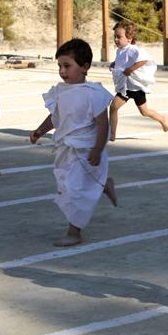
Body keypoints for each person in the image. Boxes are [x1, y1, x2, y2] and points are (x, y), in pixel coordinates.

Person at [29, 39, 118, 247]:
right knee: (66, 185)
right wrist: (40, 131)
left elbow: (102, 124)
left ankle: (74, 232)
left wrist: (97, 149)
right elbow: (55, 116)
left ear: (85, 67)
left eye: (67, 66)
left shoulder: (93, 93)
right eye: (60, 66)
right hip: (65, 148)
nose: (62, 71)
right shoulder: (60, 91)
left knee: (74, 190)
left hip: (85, 149)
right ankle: (104, 183)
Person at [108, 20, 168, 141]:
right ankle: (112, 134)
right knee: (113, 107)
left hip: (136, 87)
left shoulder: (132, 49)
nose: (116, 39)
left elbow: (143, 60)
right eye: (115, 37)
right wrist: (114, 64)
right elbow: (122, 61)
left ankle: (162, 118)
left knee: (144, 112)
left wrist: (130, 69)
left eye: (119, 37)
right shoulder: (119, 50)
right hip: (125, 87)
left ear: (129, 38)